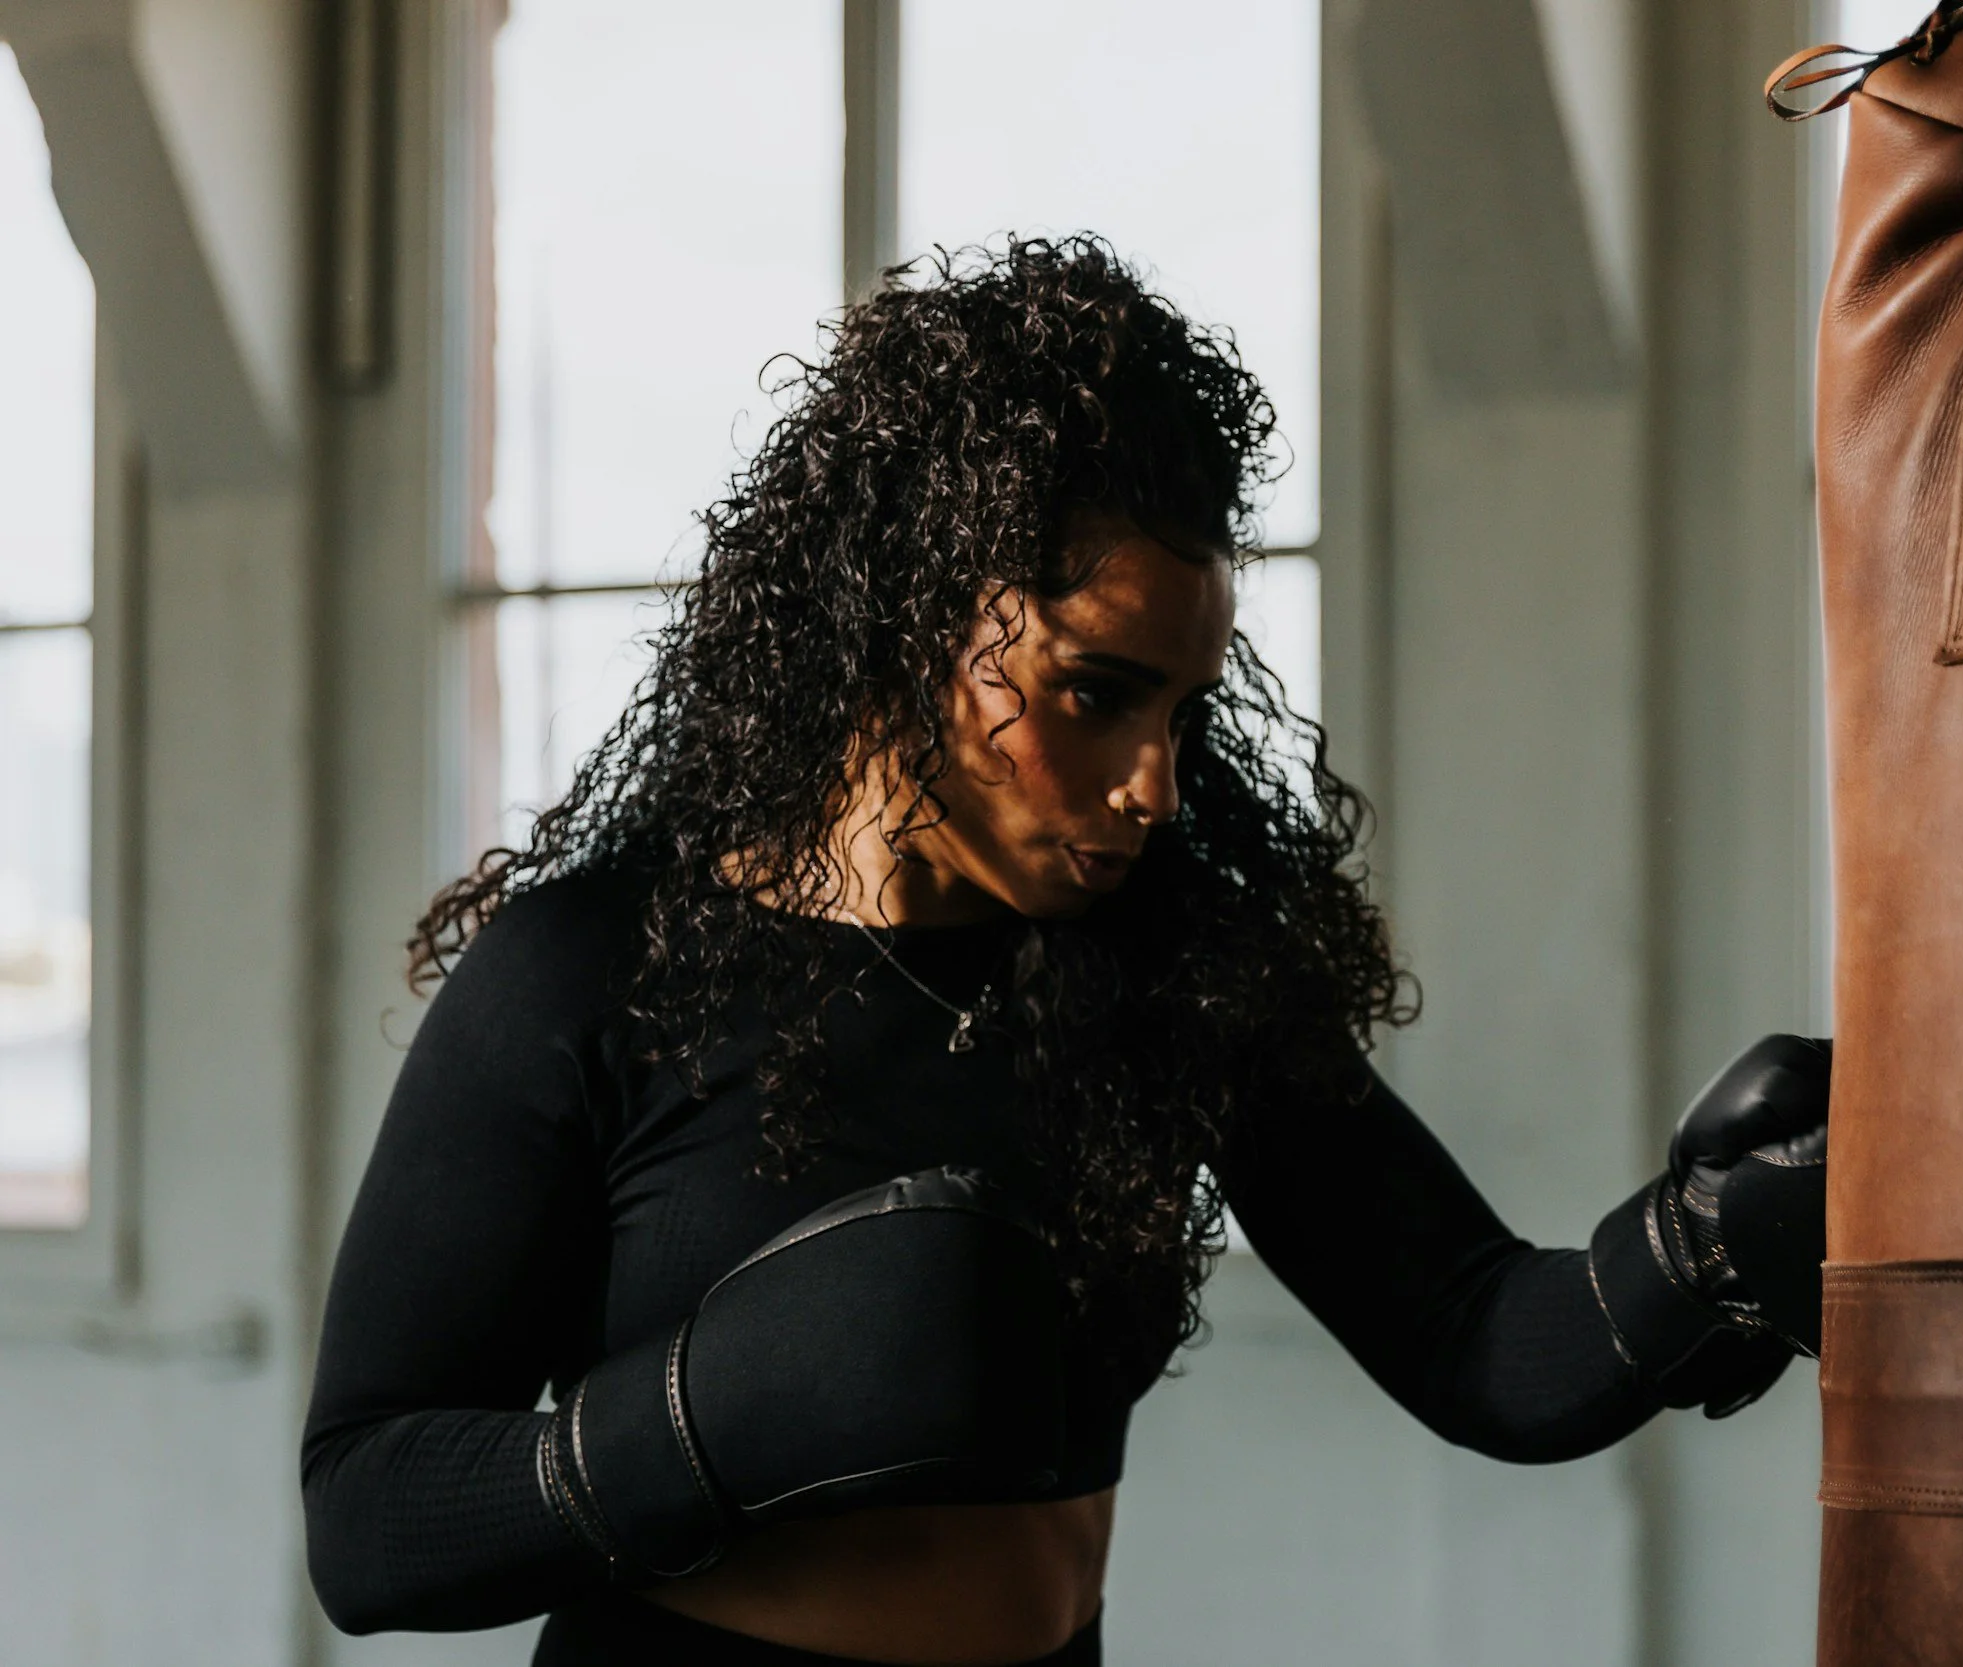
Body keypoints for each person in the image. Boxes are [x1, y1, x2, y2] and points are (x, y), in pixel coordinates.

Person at [299, 237, 1831, 1667]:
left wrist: (1700, 1247)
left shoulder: (1164, 971)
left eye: (1179, 710)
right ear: (911, 625)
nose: (1154, 785)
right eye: (1097, 693)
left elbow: (1480, 1334)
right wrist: (704, 1421)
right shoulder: (591, 971)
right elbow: (366, 1518)